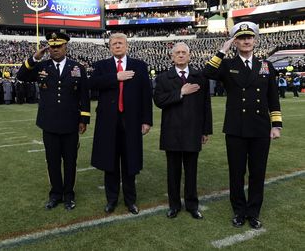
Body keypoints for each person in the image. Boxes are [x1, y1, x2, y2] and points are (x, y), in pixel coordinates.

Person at [204, 21, 282, 229]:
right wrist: (222, 51)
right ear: (235, 42)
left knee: (258, 172)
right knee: (236, 172)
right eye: (241, 38)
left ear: (255, 40)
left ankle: (253, 212)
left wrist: (276, 125)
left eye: (249, 38)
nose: (246, 41)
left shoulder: (266, 66)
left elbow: (273, 98)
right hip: (236, 128)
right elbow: (207, 73)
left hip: (260, 128)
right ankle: (239, 211)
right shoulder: (227, 65)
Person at [16, 31, 90, 211]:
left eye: (58, 46)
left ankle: (69, 194)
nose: (54, 50)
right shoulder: (42, 66)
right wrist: (34, 58)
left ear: (66, 46)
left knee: (70, 161)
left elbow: (84, 95)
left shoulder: (77, 67)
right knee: (52, 161)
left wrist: (84, 119)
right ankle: (55, 194)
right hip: (49, 123)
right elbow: (21, 75)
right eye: (52, 47)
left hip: (71, 123)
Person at [89, 33, 153, 215]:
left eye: (120, 42)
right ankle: (111, 200)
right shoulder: (101, 66)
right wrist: (116, 77)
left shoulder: (140, 66)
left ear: (127, 45)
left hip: (131, 122)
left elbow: (146, 95)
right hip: (108, 123)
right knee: (110, 163)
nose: (117, 45)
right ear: (110, 47)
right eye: (114, 43)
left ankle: (130, 201)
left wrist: (146, 120)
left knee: (130, 163)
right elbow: (92, 83)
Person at [153, 42, 212, 219]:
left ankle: (192, 205)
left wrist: (205, 130)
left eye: (183, 52)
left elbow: (205, 106)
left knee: (191, 171)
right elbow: (158, 101)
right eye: (177, 52)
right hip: (172, 132)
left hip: (193, 132)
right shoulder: (163, 78)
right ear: (172, 56)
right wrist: (181, 92)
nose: (180, 55)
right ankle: (174, 205)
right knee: (173, 172)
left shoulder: (200, 77)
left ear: (189, 55)